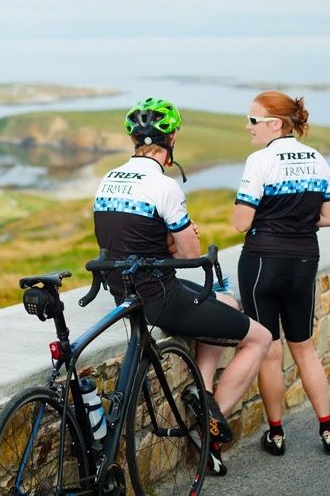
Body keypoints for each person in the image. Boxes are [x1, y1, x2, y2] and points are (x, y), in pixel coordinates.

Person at [93, 97, 272, 473]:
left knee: (226, 301)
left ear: (134, 141)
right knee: (260, 338)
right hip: (160, 297)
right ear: (170, 139)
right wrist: (182, 237)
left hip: (125, 292)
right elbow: (189, 255)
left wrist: (168, 242)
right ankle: (210, 424)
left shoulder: (108, 179)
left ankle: (202, 394)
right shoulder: (164, 186)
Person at [232, 90, 330, 456]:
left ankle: (277, 434)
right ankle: (328, 430)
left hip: (263, 259)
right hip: (303, 260)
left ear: (275, 124)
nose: (247, 127)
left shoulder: (259, 160)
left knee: (268, 351)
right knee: (305, 348)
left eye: (253, 120)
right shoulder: (318, 159)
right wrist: (295, 221)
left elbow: (240, 222)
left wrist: (271, 220)